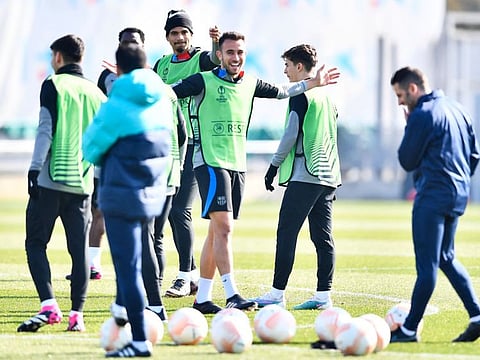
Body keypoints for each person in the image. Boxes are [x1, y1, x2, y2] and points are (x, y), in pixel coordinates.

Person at [172, 31, 340, 314]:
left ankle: (202, 297)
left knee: (217, 231)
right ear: (220, 55)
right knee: (224, 228)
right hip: (211, 162)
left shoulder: (251, 83)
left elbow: (282, 92)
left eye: (239, 52)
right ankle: (232, 293)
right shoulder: (203, 80)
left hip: (238, 165)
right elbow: (168, 92)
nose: (235, 57)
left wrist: (312, 83)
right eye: (229, 53)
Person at [83, 43, 172, 357]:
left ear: (117, 69)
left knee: (127, 268)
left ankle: (138, 342)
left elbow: (91, 148)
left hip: (121, 193)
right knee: (139, 255)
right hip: (153, 193)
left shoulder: (117, 102)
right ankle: (122, 307)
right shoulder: (162, 97)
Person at [17, 34, 106, 332]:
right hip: (82, 184)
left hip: (50, 180)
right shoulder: (97, 94)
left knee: (35, 243)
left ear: (58, 57)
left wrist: (33, 168)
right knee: (79, 251)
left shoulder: (53, 85)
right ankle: (76, 316)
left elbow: (46, 129)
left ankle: (49, 305)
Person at [389, 66, 480, 343]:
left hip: (432, 195)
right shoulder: (459, 109)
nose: (400, 102)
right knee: (446, 257)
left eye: (400, 94)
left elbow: (406, 160)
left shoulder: (422, 115)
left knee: (427, 265)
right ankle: (477, 316)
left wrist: (409, 125)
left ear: (413, 88)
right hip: (458, 194)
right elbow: (474, 155)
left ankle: (408, 328)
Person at [250, 44, 340, 311]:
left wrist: (273, 167)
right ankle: (324, 296)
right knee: (323, 238)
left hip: (306, 173)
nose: (285, 71)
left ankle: (277, 294)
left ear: (300, 67)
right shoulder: (327, 96)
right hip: (328, 174)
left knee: (286, 233)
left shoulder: (302, 95)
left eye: (287, 65)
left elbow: (291, 134)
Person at [65, 27, 147, 282]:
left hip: (138, 158)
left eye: (134, 42)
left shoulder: (150, 78)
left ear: (143, 45)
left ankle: (143, 270)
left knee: (139, 217)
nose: (129, 45)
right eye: (125, 42)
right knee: (97, 209)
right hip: (108, 157)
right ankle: (92, 264)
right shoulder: (105, 76)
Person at [152, 9, 221, 298]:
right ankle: (190, 274)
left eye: (184, 32)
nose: (179, 38)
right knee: (168, 213)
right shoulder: (161, 65)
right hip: (167, 147)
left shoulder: (201, 58)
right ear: (167, 37)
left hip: (194, 144)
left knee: (180, 210)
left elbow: (217, 61)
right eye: (174, 33)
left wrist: (216, 44)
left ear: (191, 35)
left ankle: (184, 276)